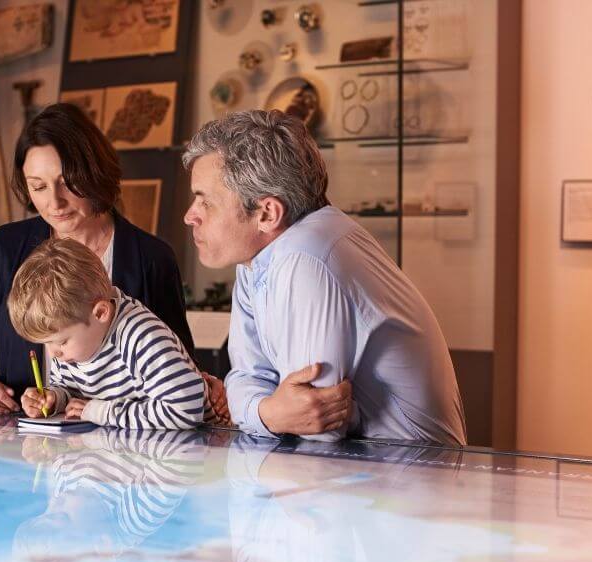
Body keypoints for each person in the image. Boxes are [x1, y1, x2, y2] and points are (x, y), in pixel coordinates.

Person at [182, 109, 466, 445]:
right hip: (362, 472)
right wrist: (268, 412)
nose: (190, 217)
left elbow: (318, 424)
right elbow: (244, 379)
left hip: (407, 476)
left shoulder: (308, 258)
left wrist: (263, 409)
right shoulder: (257, 257)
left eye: (206, 203)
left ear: (267, 213)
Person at [0, 102, 194, 416]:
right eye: (38, 187)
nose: (53, 202)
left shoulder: (152, 258)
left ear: (93, 171)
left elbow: (179, 368)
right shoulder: (4, 247)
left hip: (124, 445)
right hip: (23, 436)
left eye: (66, 183)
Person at [7, 237, 214, 430]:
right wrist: (54, 399)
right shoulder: (73, 344)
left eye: (61, 342)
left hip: (193, 450)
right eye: (47, 344)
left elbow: (186, 408)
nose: (53, 354)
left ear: (100, 313)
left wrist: (103, 412)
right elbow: (74, 392)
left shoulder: (141, 337)